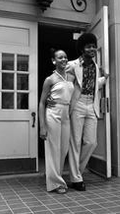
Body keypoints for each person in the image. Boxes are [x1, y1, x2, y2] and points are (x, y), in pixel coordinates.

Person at [66, 33, 109, 191]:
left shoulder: (97, 67)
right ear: (82, 49)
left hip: (91, 104)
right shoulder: (72, 65)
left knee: (91, 142)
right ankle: (76, 178)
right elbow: (63, 81)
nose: (92, 49)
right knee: (75, 142)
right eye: (88, 46)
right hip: (77, 104)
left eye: (93, 46)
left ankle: (76, 171)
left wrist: (104, 78)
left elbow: (93, 85)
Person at [39, 49, 74, 194]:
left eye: (66, 57)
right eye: (60, 57)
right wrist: (42, 126)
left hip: (66, 114)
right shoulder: (50, 79)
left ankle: (55, 176)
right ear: (54, 61)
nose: (64, 59)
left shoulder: (71, 77)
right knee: (54, 148)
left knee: (64, 148)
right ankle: (56, 183)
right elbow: (42, 103)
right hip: (53, 113)